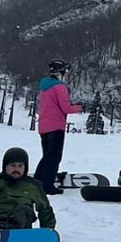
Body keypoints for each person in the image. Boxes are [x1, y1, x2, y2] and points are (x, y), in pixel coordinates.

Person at [34, 60, 84, 194]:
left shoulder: (44, 86)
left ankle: (36, 182)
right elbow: (66, 108)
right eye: (65, 72)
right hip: (56, 126)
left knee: (46, 156)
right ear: (60, 72)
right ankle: (48, 186)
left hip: (44, 125)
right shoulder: (60, 87)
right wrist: (79, 107)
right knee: (54, 157)